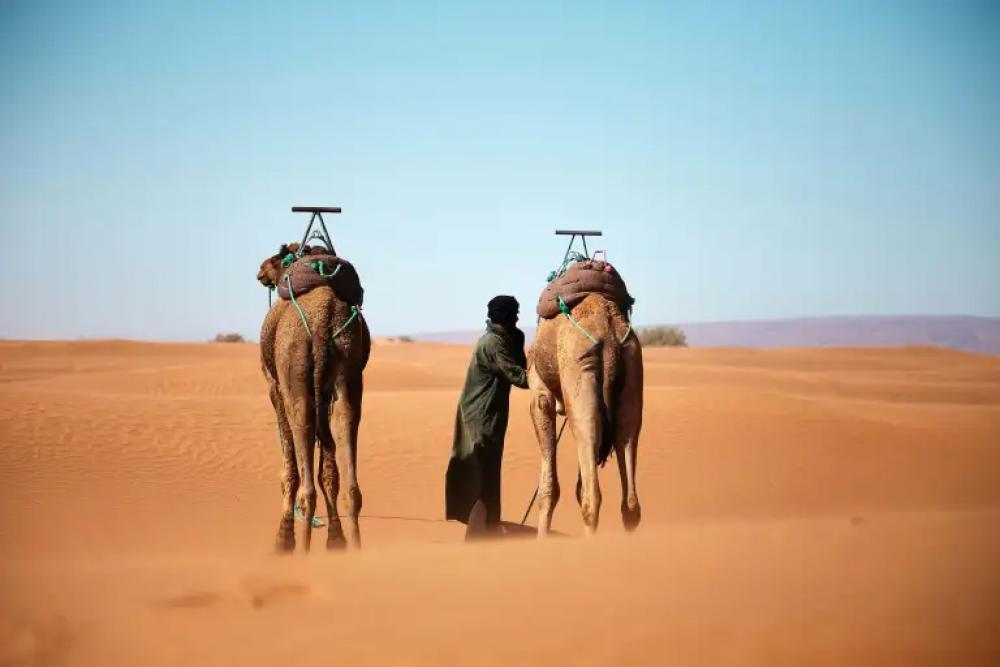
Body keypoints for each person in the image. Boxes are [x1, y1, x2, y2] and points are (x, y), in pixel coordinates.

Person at [445, 295, 529, 538]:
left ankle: (488, 528)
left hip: (492, 413)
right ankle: (479, 535)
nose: (517, 317)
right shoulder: (492, 343)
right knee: (482, 470)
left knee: (488, 469)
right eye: (514, 313)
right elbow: (519, 376)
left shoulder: (506, 338)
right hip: (480, 415)